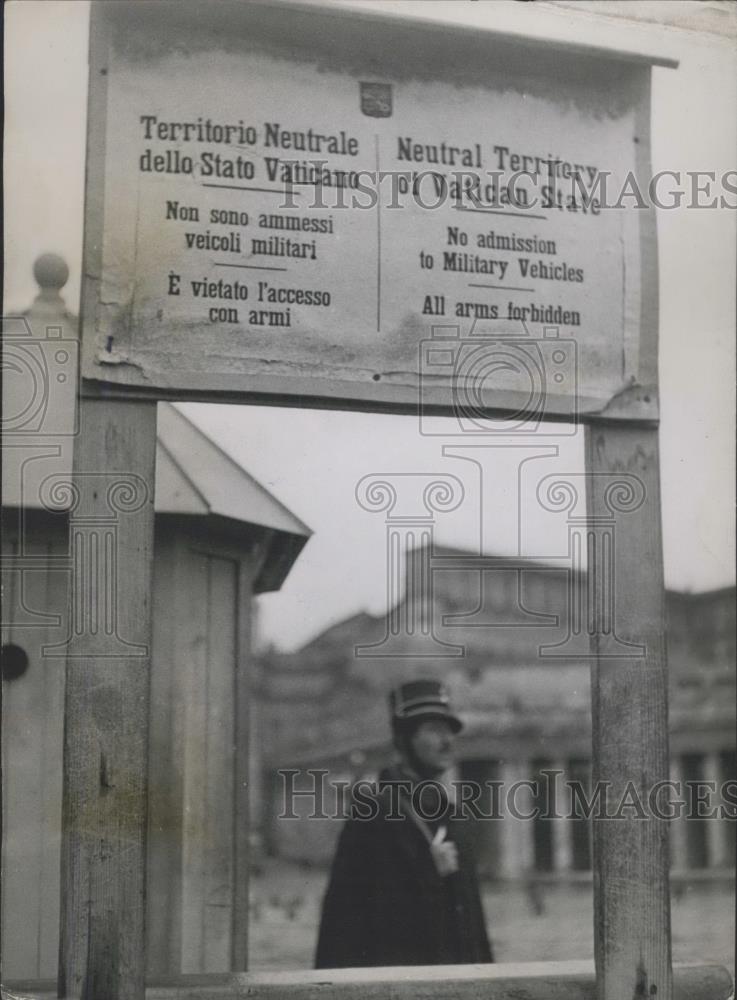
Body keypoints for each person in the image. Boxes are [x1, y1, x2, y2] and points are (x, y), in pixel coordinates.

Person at [315, 679, 493, 968]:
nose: (447, 741)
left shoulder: (453, 816)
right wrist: (428, 870)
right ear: (404, 739)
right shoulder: (374, 814)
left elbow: (474, 930)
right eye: (434, 730)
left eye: (449, 730)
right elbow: (346, 925)